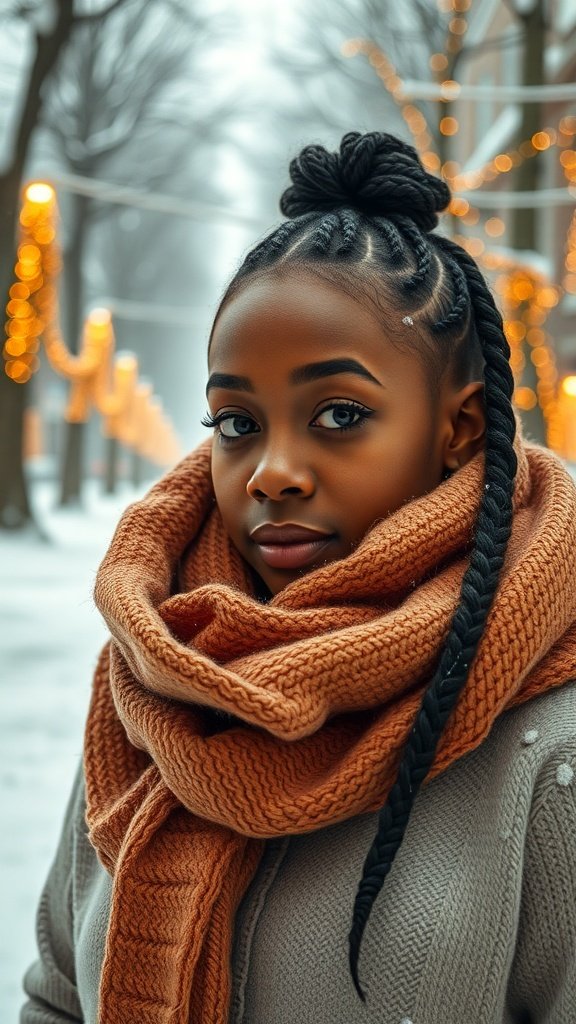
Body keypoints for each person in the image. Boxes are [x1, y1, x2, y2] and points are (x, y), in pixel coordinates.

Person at [22, 131, 576, 1024]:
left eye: (340, 413)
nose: (270, 470)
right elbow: (54, 997)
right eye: (236, 422)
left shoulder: (553, 757)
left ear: (462, 428)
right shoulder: (153, 691)